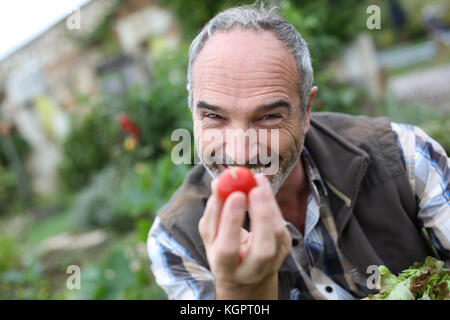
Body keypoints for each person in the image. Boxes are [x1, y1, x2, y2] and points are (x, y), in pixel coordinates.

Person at [147, 4, 450, 300]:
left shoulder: (407, 156)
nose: (239, 152)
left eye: (268, 116)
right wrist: (241, 291)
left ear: (306, 111)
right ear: (193, 114)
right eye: (214, 117)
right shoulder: (175, 241)